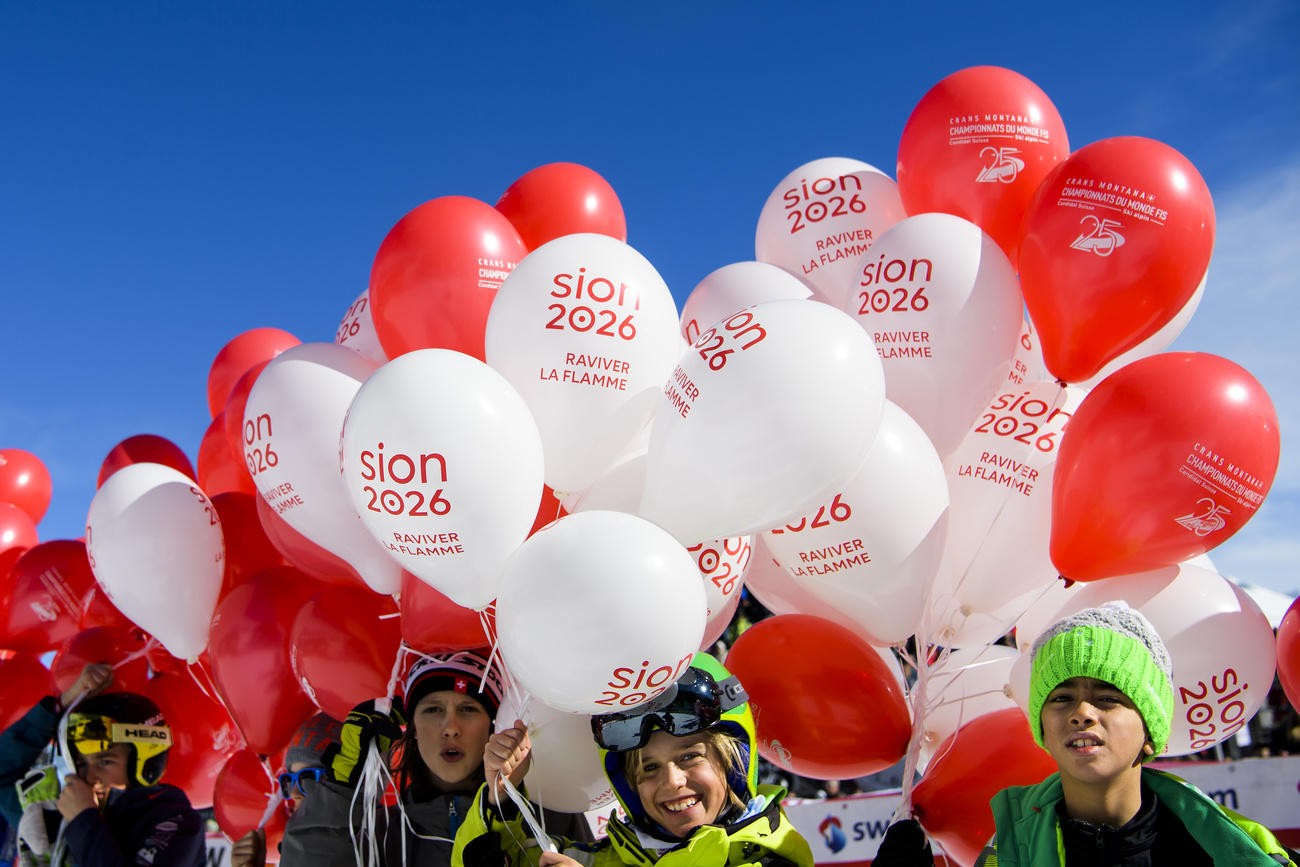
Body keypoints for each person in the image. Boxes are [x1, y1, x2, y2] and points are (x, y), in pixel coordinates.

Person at [874, 602, 1299, 866]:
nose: (1082, 712)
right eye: (1061, 697)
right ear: (1043, 729)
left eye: (1108, 698)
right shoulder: (1006, 854)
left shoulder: (1237, 848)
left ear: (1151, 734)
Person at [453, 660, 814, 867]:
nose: (672, 781)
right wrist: (502, 797)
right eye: (648, 769)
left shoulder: (775, 858)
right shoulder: (607, 858)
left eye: (689, 756)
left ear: (734, 763)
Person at [279, 649, 589, 867]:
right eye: (433, 710)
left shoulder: (551, 815)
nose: (450, 728)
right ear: (411, 730)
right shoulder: (377, 835)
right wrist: (342, 790)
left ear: (492, 726)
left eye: (467, 709)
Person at [0, 662, 204, 865]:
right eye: (81, 764)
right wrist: (61, 704)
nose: (90, 777)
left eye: (105, 761)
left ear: (145, 763)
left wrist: (83, 820)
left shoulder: (177, 822)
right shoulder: (61, 813)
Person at [229, 712, 342, 867]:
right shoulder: (300, 854)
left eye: (308, 778)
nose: (294, 794)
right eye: (290, 780)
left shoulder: (379, 846)